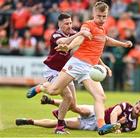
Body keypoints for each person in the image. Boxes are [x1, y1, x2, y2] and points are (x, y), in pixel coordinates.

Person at [27, 1, 133, 135]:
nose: (101, 19)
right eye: (99, 16)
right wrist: (69, 46)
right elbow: (81, 37)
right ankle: (41, 87)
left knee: (100, 97)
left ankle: (101, 126)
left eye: (104, 16)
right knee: (54, 90)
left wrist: (123, 44)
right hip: (77, 63)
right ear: (94, 14)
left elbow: (105, 40)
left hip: (90, 68)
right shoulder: (88, 25)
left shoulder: (102, 29)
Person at [16, 96, 140, 133]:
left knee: (62, 123)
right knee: (76, 107)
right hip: (97, 112)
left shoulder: (133, 126)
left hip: (93, 125)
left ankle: (29, 121)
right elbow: (114, 112)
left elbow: (121, 131)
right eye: (137, 108)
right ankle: (51, 101)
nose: (137, 111)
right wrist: (115, 125)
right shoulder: (126, 106)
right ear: (134, 105)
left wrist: (118, 128)